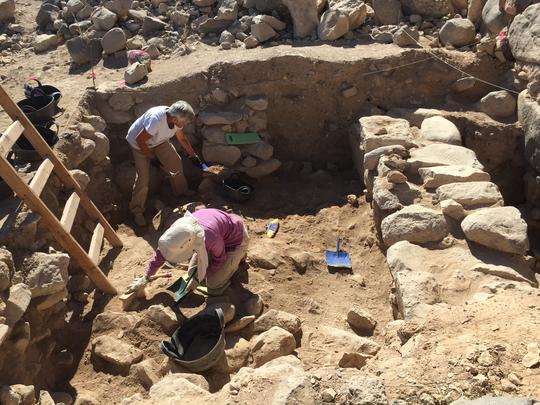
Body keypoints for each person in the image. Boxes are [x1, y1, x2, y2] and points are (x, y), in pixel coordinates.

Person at [128, 208, 250, 295]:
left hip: (236, 241)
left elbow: (220, 259)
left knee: (213, 284)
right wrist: (146, 276)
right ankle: (231, 261)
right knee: (192, 272)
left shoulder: (209, 238)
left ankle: (239, 258)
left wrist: (201, 277)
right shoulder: (179, 230)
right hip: (217, 236)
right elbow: (162, 252)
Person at [126, 101, 202, 226]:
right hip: (139, 145)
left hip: (159, 141)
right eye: (184, 122)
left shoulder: (177, 119)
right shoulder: (156, 120)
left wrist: (193, 155)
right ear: (174, 119)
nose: (185, 124)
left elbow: (182, 139)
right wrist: (151, 157)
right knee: (143, 178)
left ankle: (181, 191)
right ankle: (137, 210)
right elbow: (140, 140)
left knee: (175, 162)